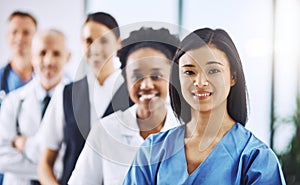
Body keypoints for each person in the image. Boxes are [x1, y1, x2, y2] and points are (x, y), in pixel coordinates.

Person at [123, 28, 287, 184]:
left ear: (233, 77)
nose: (200, 82)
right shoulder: (152, 150)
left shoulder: (255, 158)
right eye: (189, 72)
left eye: (213, 71)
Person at [68, 27, 180, 185]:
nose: (147, 84)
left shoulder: (187, 130)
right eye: (137, 76)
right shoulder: (105, 130)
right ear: (126, 80)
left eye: (156, 76)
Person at [38, 12, 133, 185]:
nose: (95, 48)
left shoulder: (135, 94)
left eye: (103, 40)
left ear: (118, 44)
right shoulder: (66, 94)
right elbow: (44, 163)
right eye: (89, 41)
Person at [0, 29, 71, 185]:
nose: (48, 61)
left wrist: (25, 145)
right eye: (42, 53)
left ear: (68, 57)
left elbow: (73, 156)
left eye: (57, 53)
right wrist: (48, 168)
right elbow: (2, 158)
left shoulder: (76, 104)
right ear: (32, 57)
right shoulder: (13, 101)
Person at [0, 11, 37, 106]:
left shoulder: (51, 79)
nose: (20, 38)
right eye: (14, 32)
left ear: (36, 38)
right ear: (7, 36)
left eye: (26, 33)